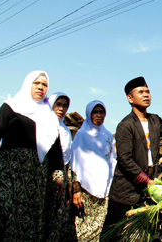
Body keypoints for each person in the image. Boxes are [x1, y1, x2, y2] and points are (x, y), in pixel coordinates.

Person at [0, 71, 64, 241]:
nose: (40, 87)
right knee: (3, 213)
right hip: (7, 171)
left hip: (34, 178)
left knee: (26, 219)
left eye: (44, 85)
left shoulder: (49, 117)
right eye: (36, 83)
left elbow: (55, 148)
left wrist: (58, 175)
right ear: (28, 84)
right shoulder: (11, 106)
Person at [103, 77, 162, 227]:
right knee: (112, 232)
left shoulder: (154, 121)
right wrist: (146, 180)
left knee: (148, 231)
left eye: (148, 92)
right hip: (125, 191)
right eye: (141, 92)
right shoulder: (125, 125)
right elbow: (124, 159)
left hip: (148, 188)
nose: (146, 95)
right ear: (130, 98)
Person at [69, 100, 116, 241]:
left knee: (97, 232)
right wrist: (76, 190)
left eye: (102, 112)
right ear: (89, 114)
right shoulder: (81, 135)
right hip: (84, 192)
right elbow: (74, 163)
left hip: (103, 192)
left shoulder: (108, 136)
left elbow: (112, 162)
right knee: (82, 232)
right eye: (95, 112)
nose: (99, 115)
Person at [45, 92, 73, 242]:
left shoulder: (66, 132)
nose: (62, 108)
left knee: (56, 217)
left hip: (60, 181)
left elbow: (67, 160)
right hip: (42, 177)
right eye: (58, 104)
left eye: (65, 105)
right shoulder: (41, 126)